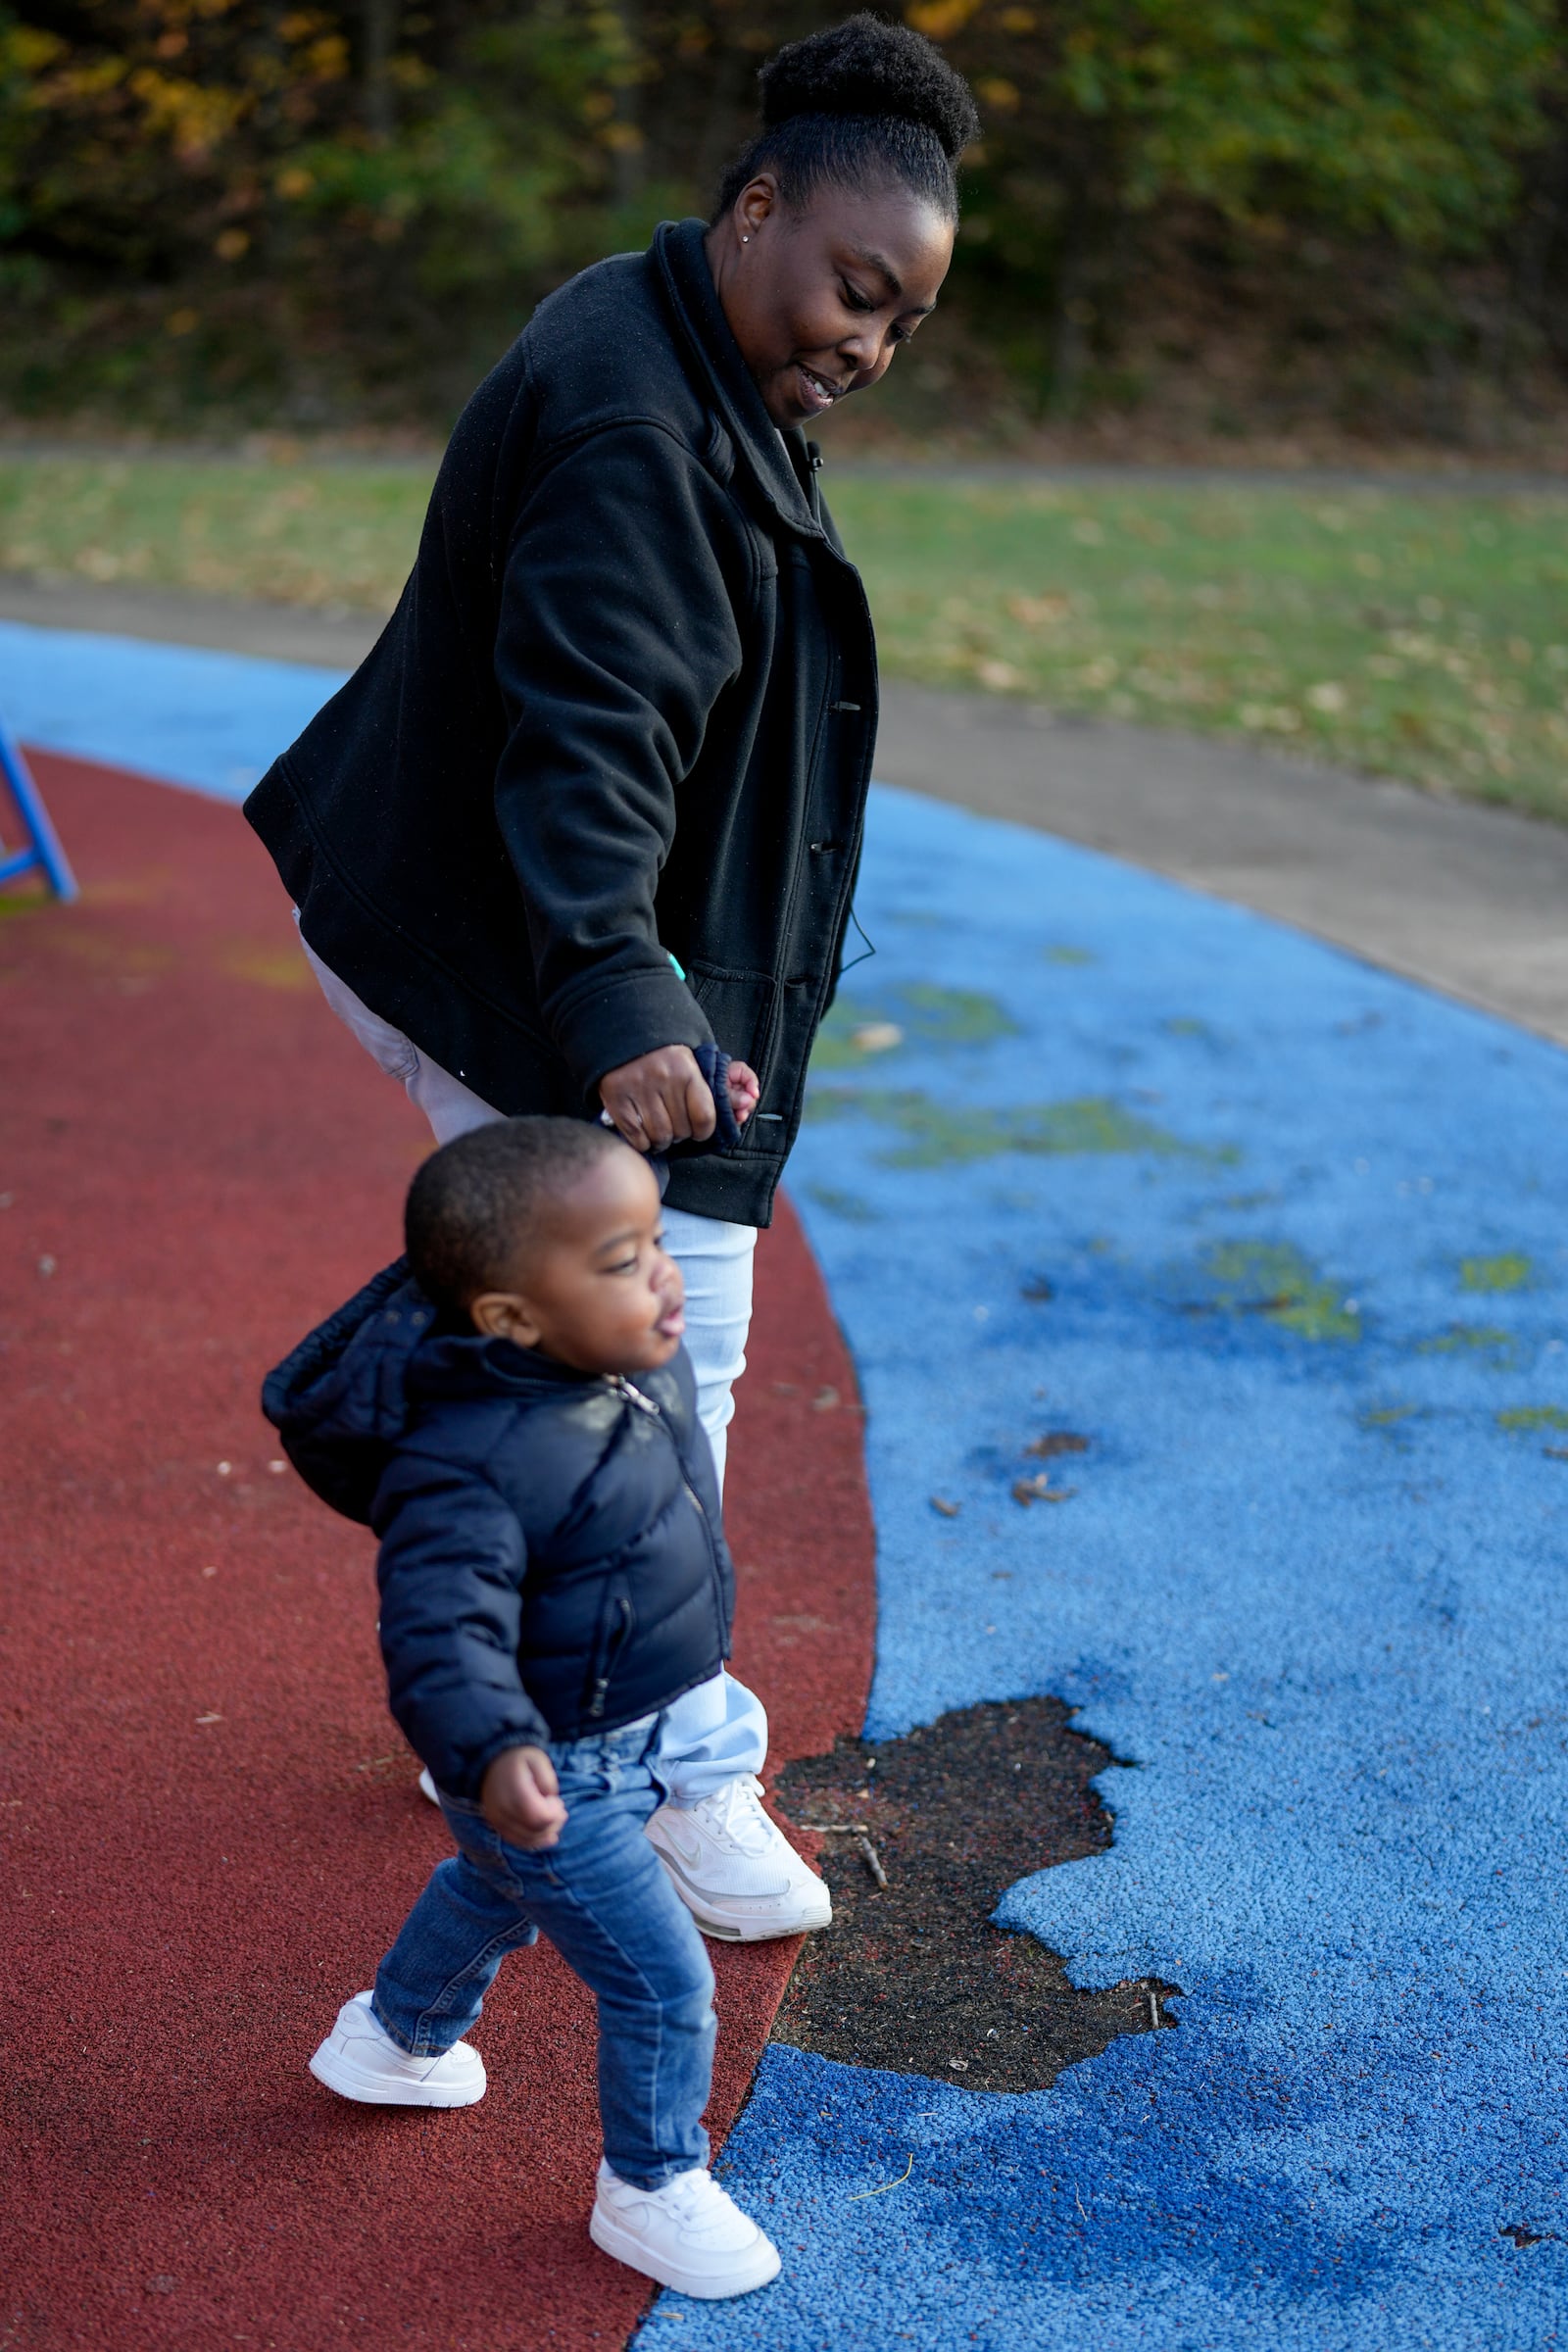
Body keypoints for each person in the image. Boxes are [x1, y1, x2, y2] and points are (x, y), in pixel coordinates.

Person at [244, 13, 978, 1936]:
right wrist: (624, 1002)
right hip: (545, 965)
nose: (868, 344)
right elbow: (582, 733)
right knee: (666, 1364)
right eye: (851, 288)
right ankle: (669, 1778)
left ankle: (479, 1643)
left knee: (558, 1332)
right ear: (753, 215)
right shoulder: (637, 414)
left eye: (901, 319)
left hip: (551, 944)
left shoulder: (673, 337)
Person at [266, 1116, 782, 2299]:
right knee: (660, 1982)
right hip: (549, 1764)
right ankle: (650, 2188)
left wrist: (699, 1079)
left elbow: (620, 1154)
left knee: (494, 1888)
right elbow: (439, 1633)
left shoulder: (629, 1355)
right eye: (618, 1259)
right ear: (508, 1319)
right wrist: (491, 1751)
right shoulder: (469, 1460)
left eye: (655, 1241)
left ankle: (395, 2039)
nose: (660, 1274)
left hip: (630, 1728)